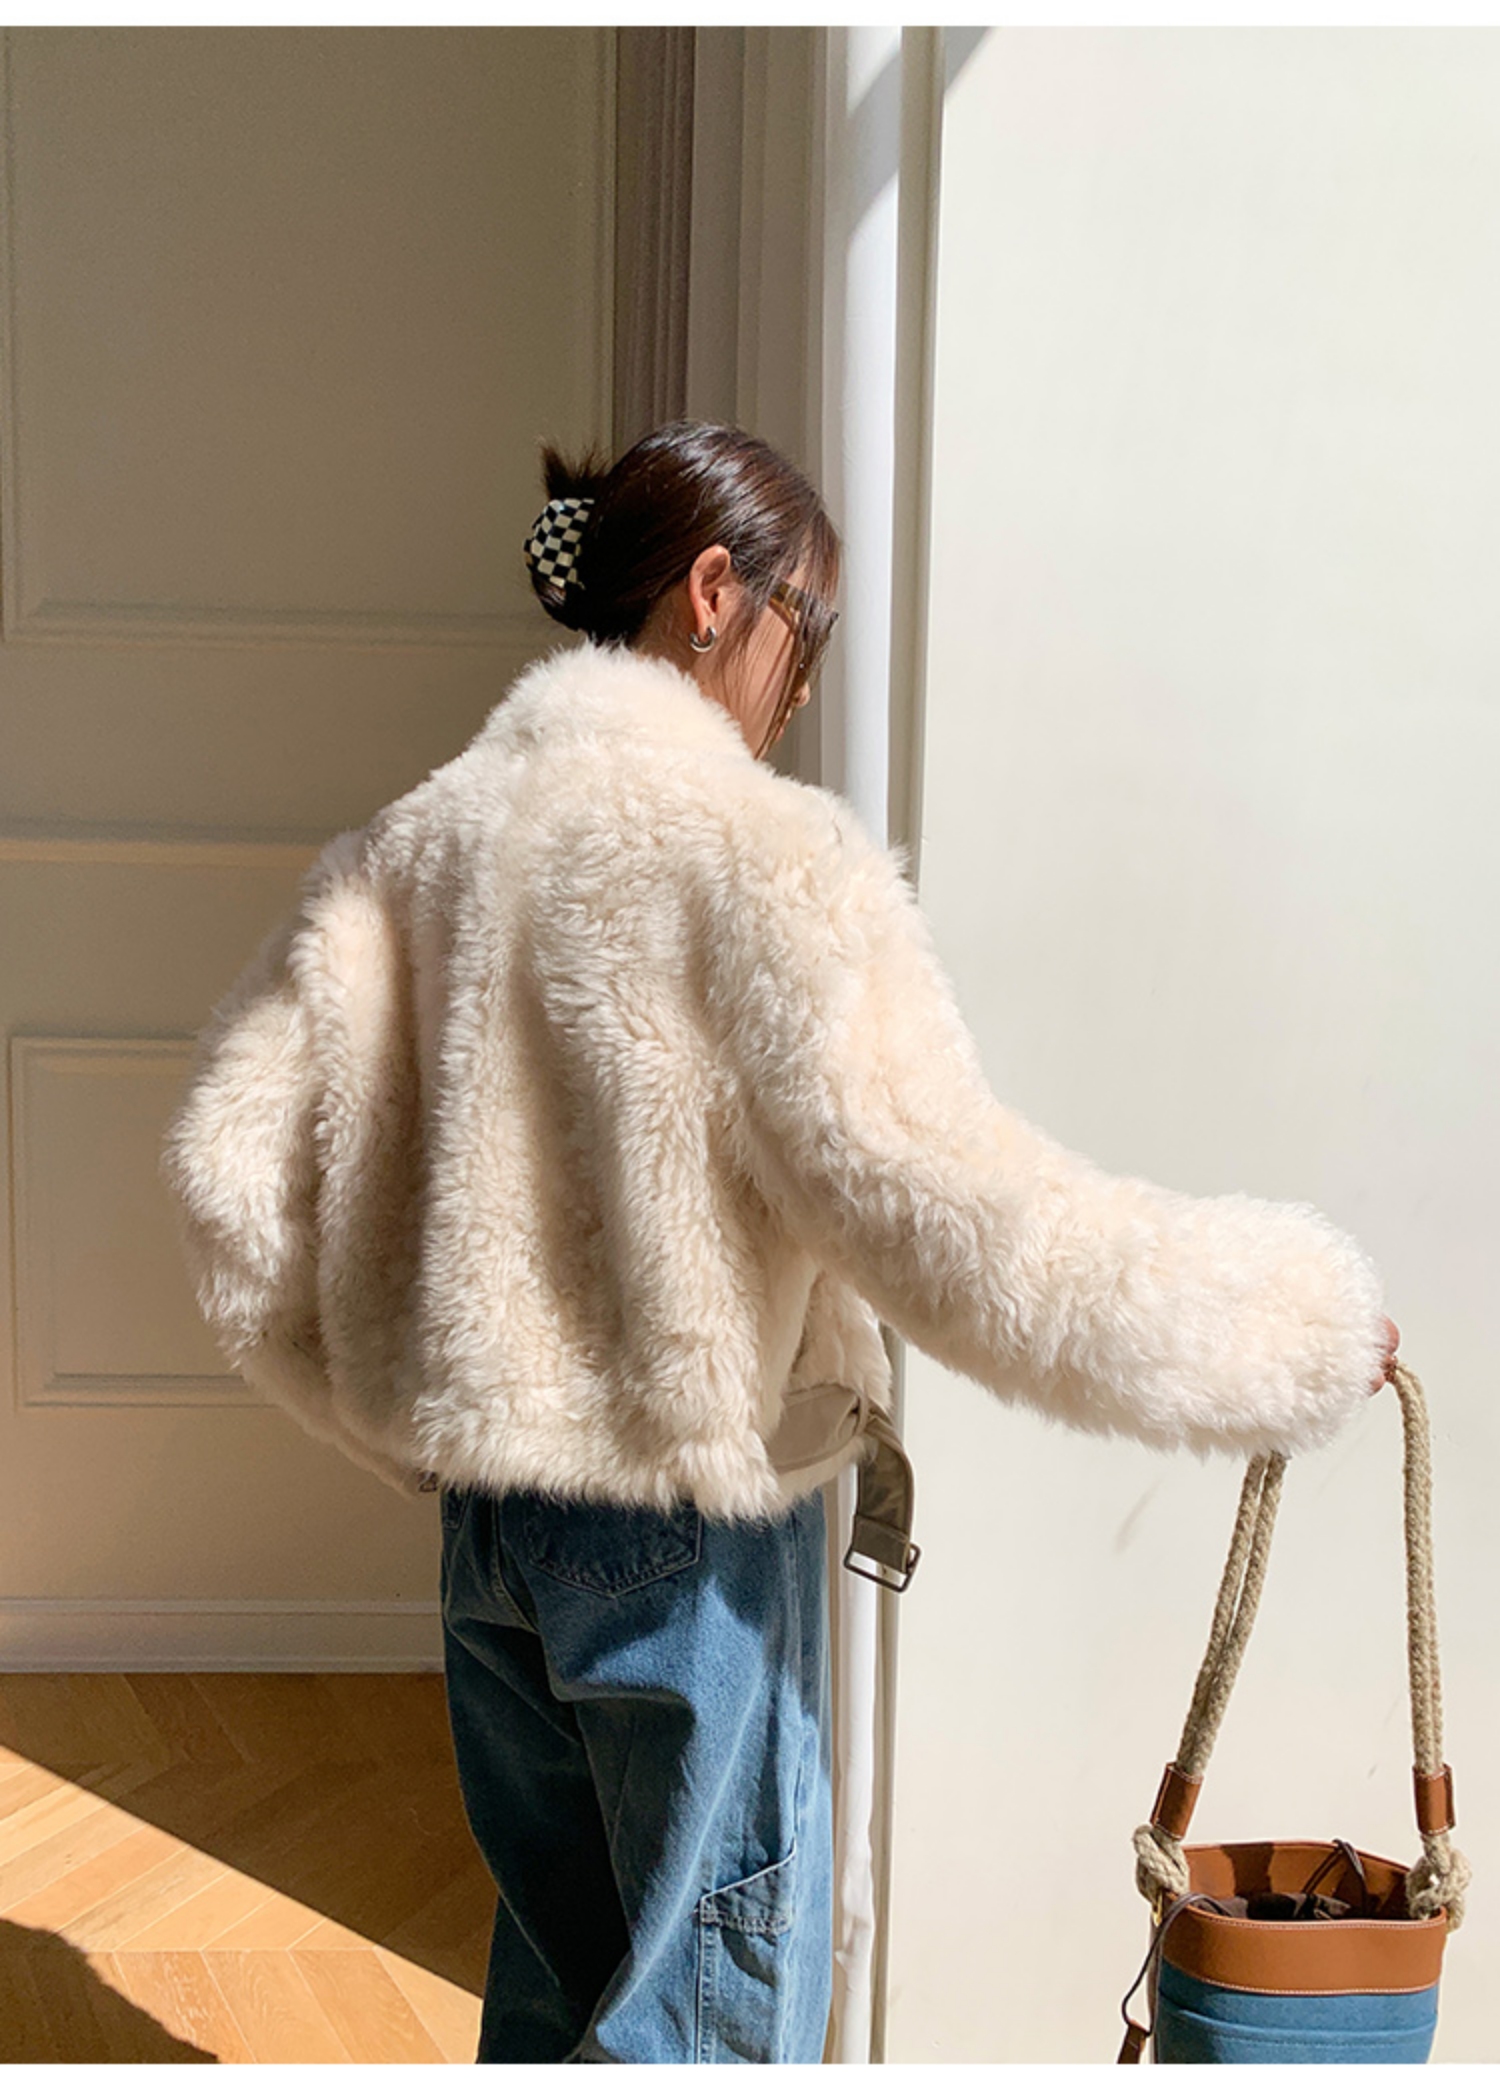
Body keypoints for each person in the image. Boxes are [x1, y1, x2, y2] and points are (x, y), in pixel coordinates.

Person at [161, 419, 1399, 2066]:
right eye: (805, 630)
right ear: (712, 591)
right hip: (680, 1528)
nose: (801, 686)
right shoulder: (759, 860)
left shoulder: (414, 846)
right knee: (703, 2016)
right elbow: (961, 1212)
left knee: (559, 1984)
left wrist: (420, 1417)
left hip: (490, 1535)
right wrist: (1291, 1329)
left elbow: (230, 1186)